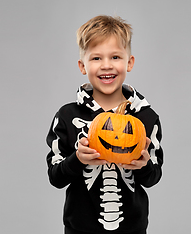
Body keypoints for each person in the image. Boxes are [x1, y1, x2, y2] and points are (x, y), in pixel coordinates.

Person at [46, 15, 163, 234]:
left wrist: (144, 166)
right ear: (82, 66)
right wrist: (77, 159)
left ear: (129, 62)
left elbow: (153, 177)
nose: (106, 65)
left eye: (116, 56)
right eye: (96, 58)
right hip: (79, 229)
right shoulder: (67, 116)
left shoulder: (147, 118)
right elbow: (55, 176)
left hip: (133, 230)